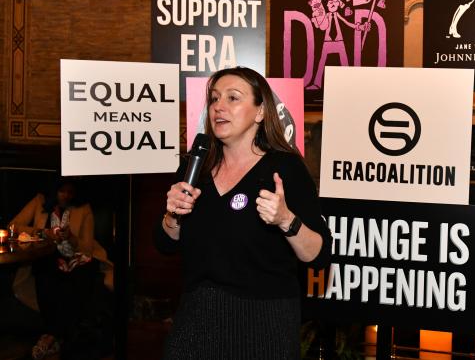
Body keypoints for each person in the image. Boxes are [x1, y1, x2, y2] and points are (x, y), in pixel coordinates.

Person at [154, 66, 332, 359]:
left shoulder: (286, 168)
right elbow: (163, 243)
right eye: (213, 99)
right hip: (196, 317)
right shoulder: (194, 167)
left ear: (260, 112)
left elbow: (318, 255)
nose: (219, 107)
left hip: (264, 321)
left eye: (233, 98)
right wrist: (173, 215)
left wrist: (286, 219)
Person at [10, 177, 112, 360]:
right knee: (46, 271)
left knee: (80, 275)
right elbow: (13, 226)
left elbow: (87, 247)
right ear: (54, 190)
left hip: (77, 255)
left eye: (70, 192)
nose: (66, 195)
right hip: (46, 255)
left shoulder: (83, 209)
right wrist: (42, 232)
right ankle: (55, 337)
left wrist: (71, 237)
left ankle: (51, 337)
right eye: (62, 191)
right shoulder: (40, 202)